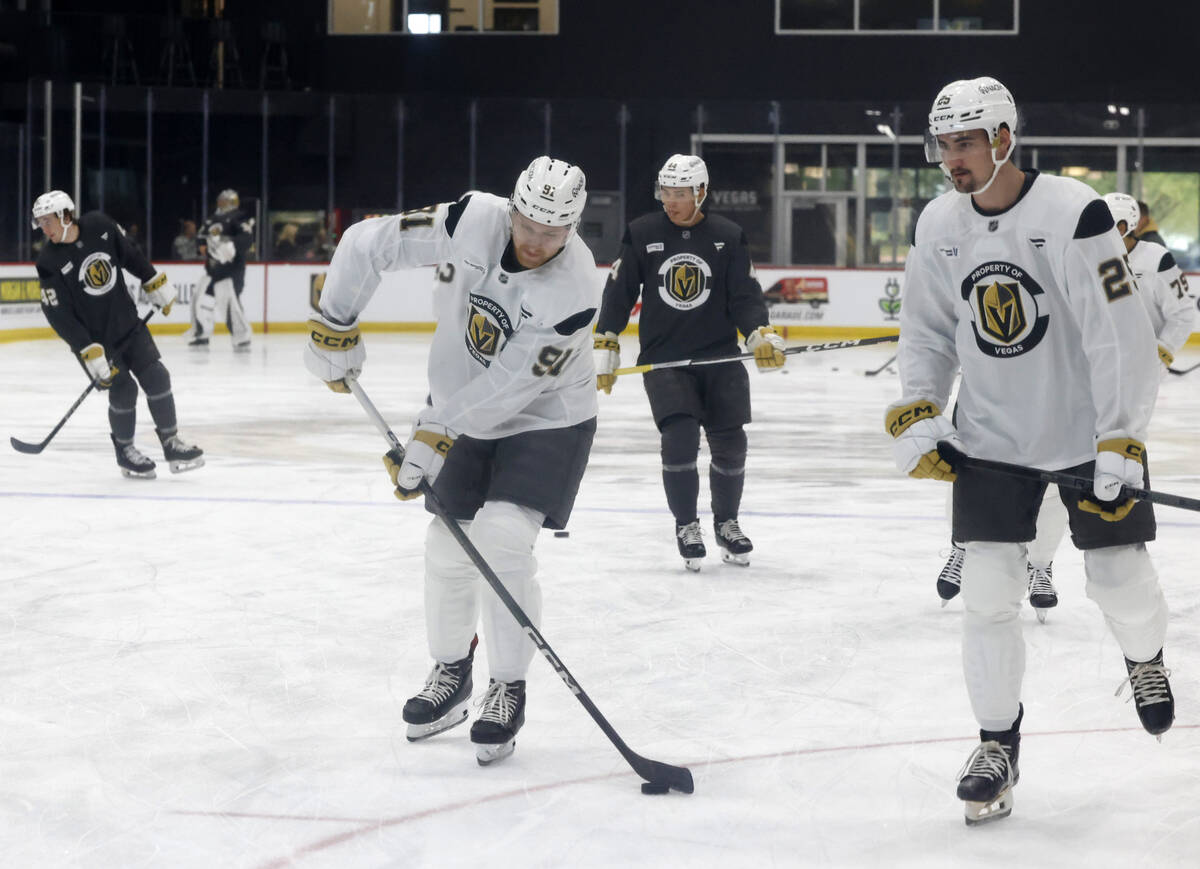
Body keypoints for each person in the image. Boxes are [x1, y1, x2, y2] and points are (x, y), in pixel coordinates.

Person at [887, 77, 1174, 827]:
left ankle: (1144, 659)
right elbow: (924, 329)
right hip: (990, 441)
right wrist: (917, 406)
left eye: (966, 143)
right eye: (943, 144)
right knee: (985, 596)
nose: (952, 159)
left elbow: (1122, 334)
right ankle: (995, 744)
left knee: (1117, 579)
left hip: (1085, 434)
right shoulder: (938, 223)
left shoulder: (1070, 211)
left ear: (1004, 139)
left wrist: (1122, 433)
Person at [304, 156, 599, 766]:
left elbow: (514, 387)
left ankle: (507, 687)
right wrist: (333, 322)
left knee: (503, 539)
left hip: (547, 417)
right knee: (446, 547)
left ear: (573, 228)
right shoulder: (471, 217)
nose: (535, 241)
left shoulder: (576, 289)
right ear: (513, 207)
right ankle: (451, 674)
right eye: (527, 224)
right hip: (460, 404)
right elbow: (367, 242)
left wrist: (434, 432)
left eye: (553, 233)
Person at [593, 153, 785, 572]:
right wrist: (606, 340)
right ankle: (686, 525)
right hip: (665, 361)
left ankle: (727, 523)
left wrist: (759, 332)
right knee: (679, 438)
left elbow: (745, 296)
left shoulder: (728, 235)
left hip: (720, 357)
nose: (671, 201)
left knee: (731, 443)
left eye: (680, 193)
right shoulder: (642, 233)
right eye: (665, 192)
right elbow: (620, 291)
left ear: (701, 192)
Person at [32, 190, 204, 479]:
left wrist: (152, 279)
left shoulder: (100, 225)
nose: (44, 229)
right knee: (124, 390)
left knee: (157, 375)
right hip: (96, 344)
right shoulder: (49, 261)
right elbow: (57, 315)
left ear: (65, 215)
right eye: (40, 223)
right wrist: (87, 349)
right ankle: (125, 450)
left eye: (47, 221)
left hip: (128, 324)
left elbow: (130, 255)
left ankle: (172, 442)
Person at [191, 188, 253, 351]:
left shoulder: (239, 217)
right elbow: (200, 237)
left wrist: (231, 245)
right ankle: (202, 334)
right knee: (203, 301)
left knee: (230, 302)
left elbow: (246, 238)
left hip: (233, 269)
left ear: (233, 202)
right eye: (220, 200)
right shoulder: (211, 219)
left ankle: (242, 337)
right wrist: (201, 246)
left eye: (224, 201)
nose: (221, 204)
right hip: (213, 270)